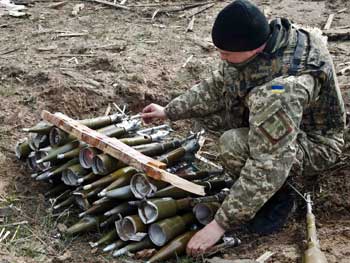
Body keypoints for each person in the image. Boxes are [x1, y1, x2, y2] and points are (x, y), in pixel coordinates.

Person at [141, 0, 346, 257]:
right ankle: (256, 193)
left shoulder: (283, 91)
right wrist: (169, 110)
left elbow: (269, 162)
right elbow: (218, 85)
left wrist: (220, 224)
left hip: (318, 142)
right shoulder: (262, 44)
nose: (221, 58)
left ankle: (279, 199)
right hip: (280, 121)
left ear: (254, 48)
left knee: (232, 144)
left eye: (226, 53)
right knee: (209, 116)